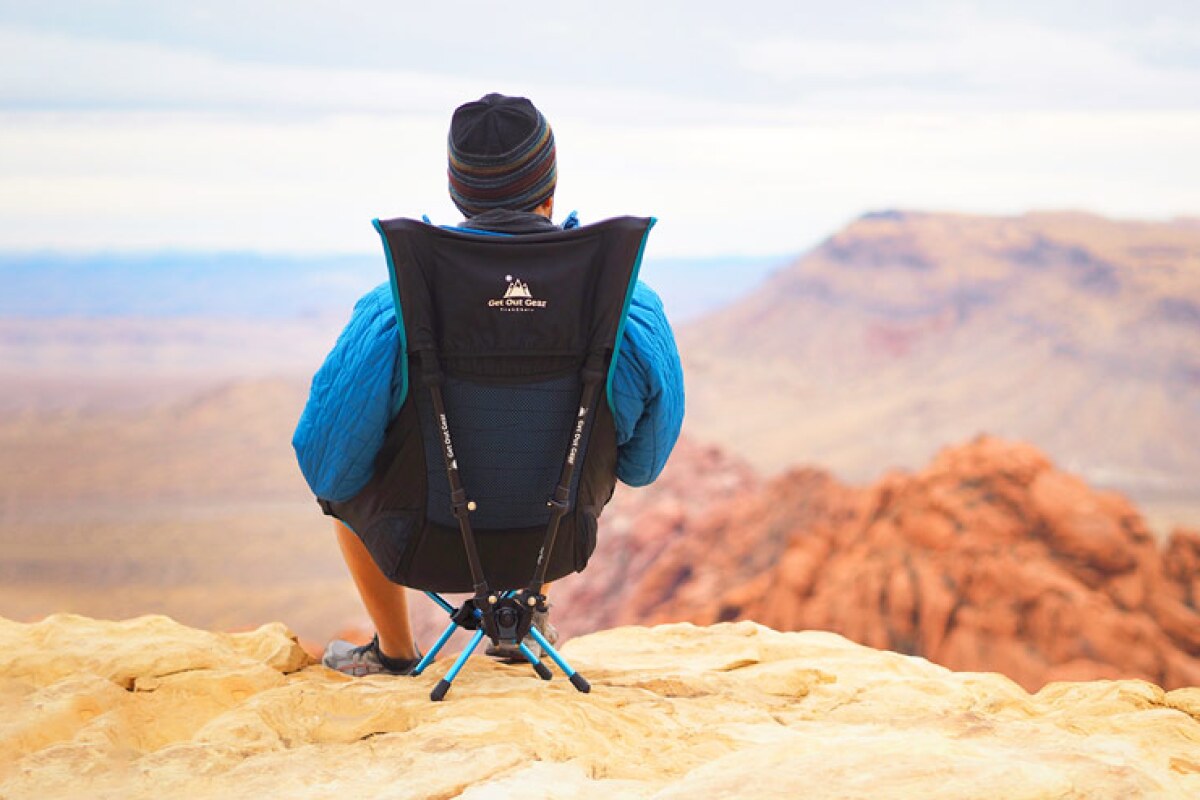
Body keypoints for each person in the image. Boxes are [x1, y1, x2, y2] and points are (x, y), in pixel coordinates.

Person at [293, 93, 684, 676]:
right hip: (558, 540)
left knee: (349, 459)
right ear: (549, 187)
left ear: (458, 192)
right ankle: (525, 624)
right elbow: (642, 466)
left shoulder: (397, 308)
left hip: (424, 542)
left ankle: (396, 652)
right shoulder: (624, 307)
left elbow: (328, 468)